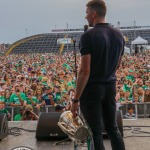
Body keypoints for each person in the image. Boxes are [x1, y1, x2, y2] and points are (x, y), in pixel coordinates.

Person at [71, 1, 125, 150]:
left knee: (95, 132)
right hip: (110, 86)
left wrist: (75, 99)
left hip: (92, 89)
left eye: (87, 12)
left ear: (94, 14)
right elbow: (118, 65)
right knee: (112, 128)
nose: (85, 16)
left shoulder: (88, 36)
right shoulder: (119, 35)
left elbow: (84, 71)